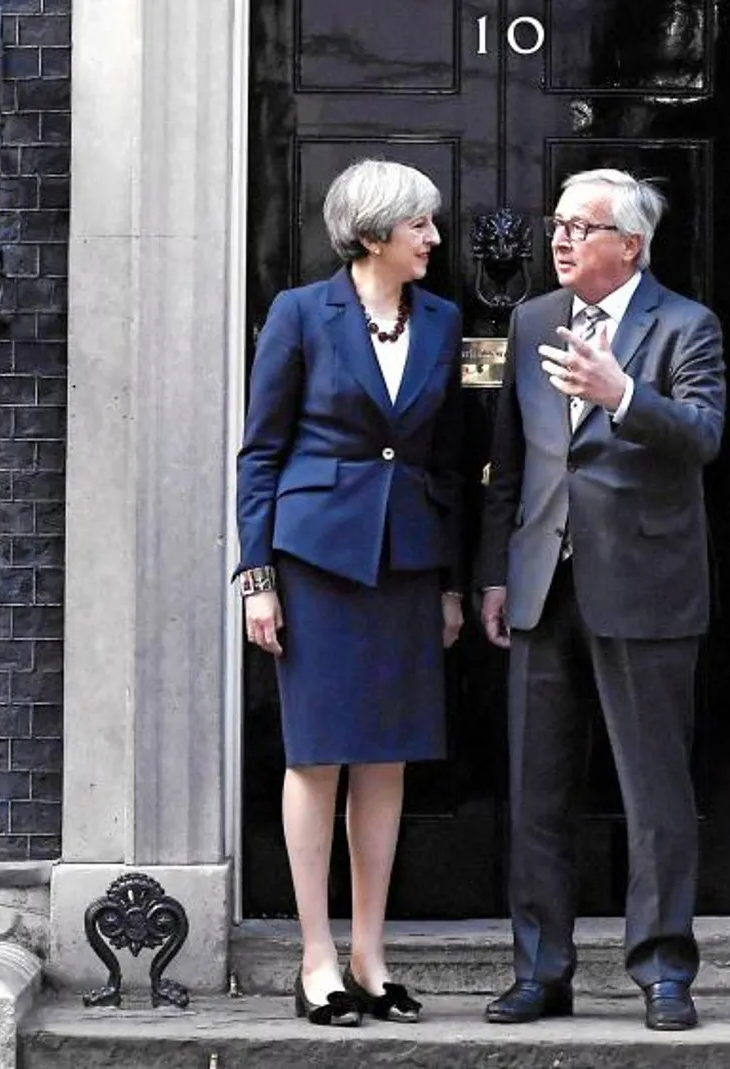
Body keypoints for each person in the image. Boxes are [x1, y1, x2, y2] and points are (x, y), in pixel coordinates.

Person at [477, 168, 725, 1031]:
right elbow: (510, 463)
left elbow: (702, 435)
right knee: (536, 793)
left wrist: (621, 394)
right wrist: (495, 573)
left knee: (654, 794)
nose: (561, 239)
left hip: (647, 589)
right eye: (559, 224)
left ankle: (663, 971)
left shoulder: (686, 324)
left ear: (631, 244)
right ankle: (540, 970)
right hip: (545, 584)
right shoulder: (532, 319)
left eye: (581, 227)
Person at [235, 159, 466, 1028]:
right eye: (420, 226)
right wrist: (257, 578)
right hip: (317, 561)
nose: (434, 240)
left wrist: (446, 582)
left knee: (388, 753)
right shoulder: (301, 313)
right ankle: (317, 956)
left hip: (407, 562)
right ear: (374, 234)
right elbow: (261, 452)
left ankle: (370, 955)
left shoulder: (442, 320)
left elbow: (445, 461)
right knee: (318, 752)